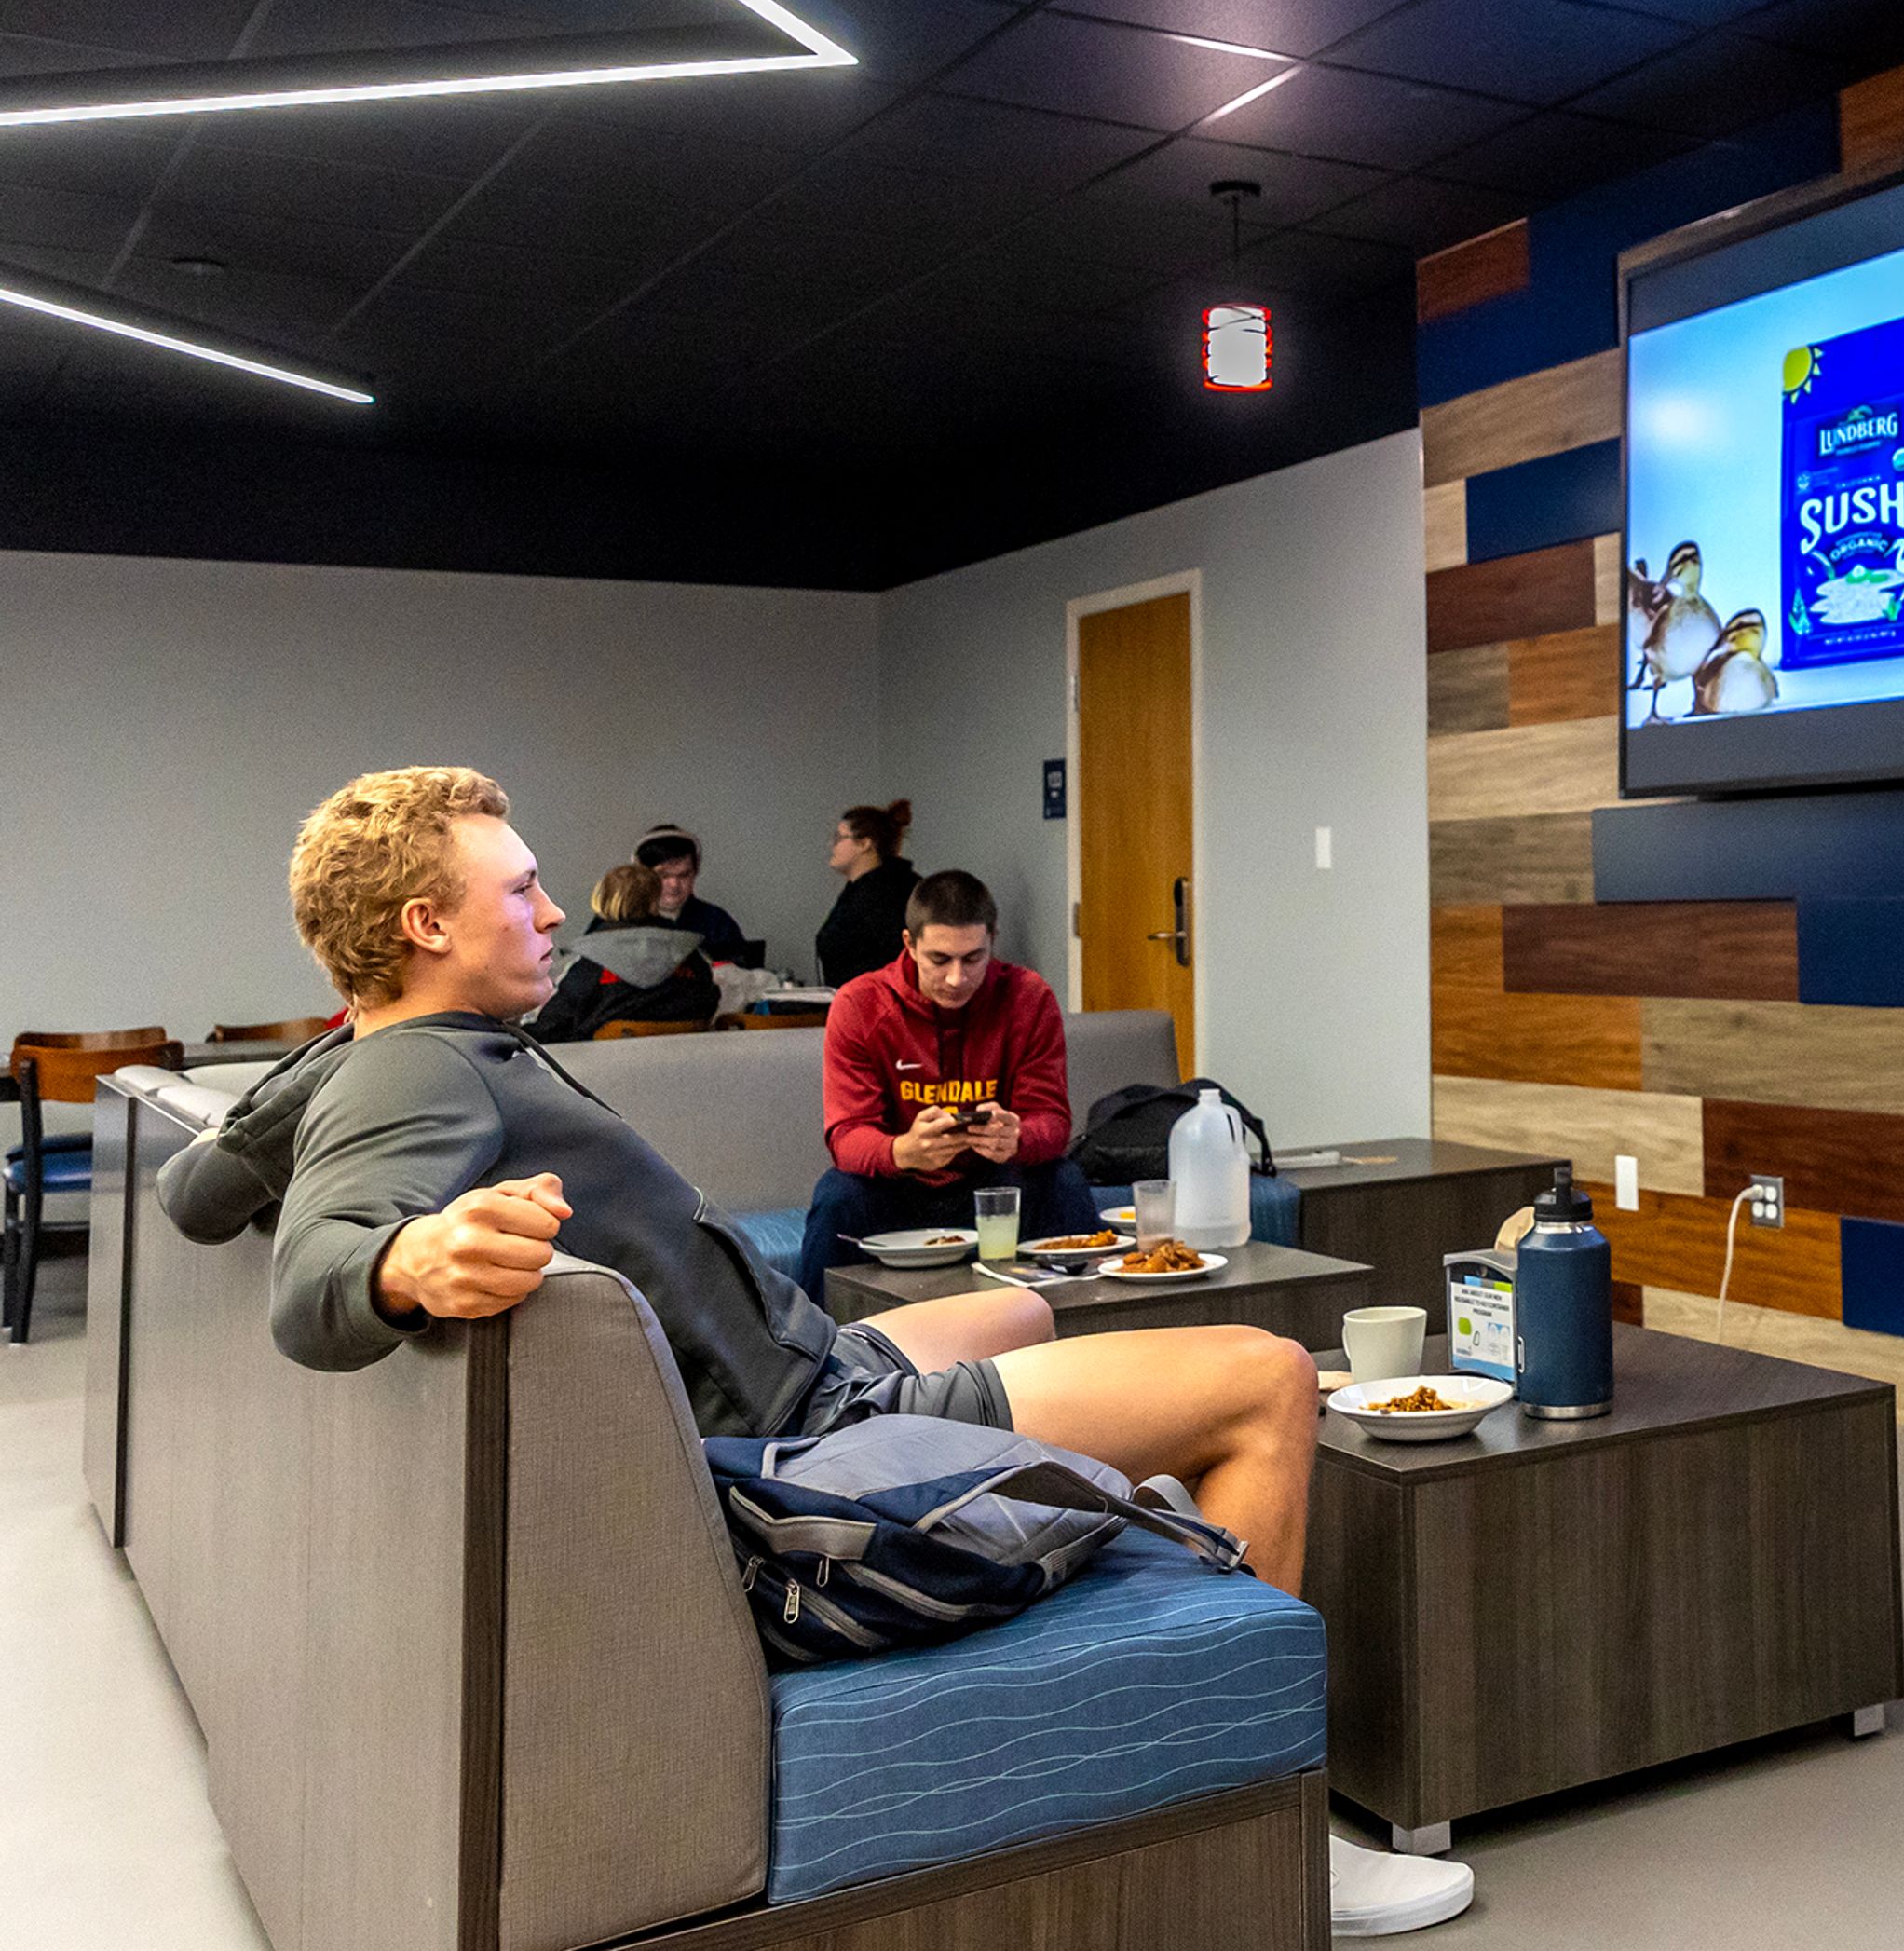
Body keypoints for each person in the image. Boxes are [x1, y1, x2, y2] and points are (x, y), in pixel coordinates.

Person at [154, 768, 1470, 1935]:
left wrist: (333, 1053)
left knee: (1021, 1305)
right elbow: (311, 1290)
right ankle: (1274, 1817)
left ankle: (1141, 1529)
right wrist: (405, 1259)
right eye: (525, 887)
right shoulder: (416, 1076)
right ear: (424, 926)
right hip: (808, 1446)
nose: (555, 912)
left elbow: (196, 1191)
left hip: (813, 1364)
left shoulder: (381, 1054)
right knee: (1267, 1376)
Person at [801, 869, 1099, 1302]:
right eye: (940, 960)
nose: (957, 978)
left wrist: (1017, 1137)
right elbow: (846, 1135)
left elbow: (1051, 1121)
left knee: (1063, 1180)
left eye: (973, 958)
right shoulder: (860, 1004)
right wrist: (902, 1150)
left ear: (993, 940)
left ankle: (1091, 1335)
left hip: (996, 1181)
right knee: (837, 1196)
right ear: (909, 944)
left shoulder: (1028, 997)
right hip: (898, 1185)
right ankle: (807, 1353)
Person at [527, 862, 718, 1043]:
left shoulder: (592, 962)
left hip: (600, 1073)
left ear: (603, 900)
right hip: (686, 1068)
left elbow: (552, 1026)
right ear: (655, 899)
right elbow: (710, 1002)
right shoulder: (691, 957)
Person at [815, 800, 918, 988]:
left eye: (839, 838)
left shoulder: (887, 894)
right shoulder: (859, 890)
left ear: (864, 844)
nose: (832, 845)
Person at [633, 825, 751, 963]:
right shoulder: (621, 922)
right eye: (663, 875)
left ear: (695, 873)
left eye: (684, 875)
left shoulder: (716, 923)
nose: (674, 884)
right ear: (642, 875)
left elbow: (744, 973)